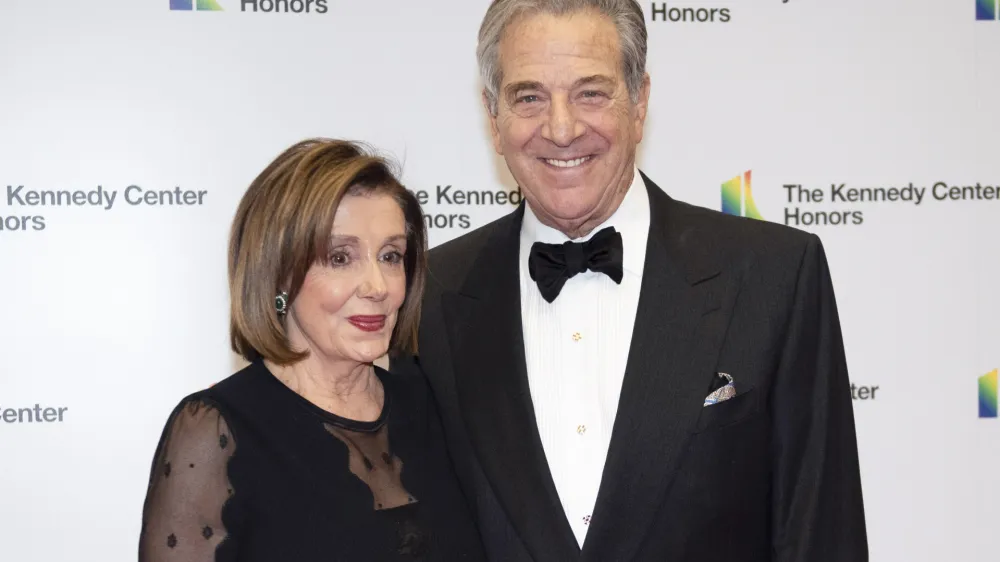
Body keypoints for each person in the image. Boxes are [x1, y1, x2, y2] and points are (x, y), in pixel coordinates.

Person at [394, 1, 869, 561]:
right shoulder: (427, 294)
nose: (562, 128)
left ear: (640, 101)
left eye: (591, 92)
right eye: (529, 97)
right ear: (492, 116)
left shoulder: (774, 275)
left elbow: (821, 534)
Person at [138, 139, 486, 562]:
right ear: (280, 271)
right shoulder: (218, 430)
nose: (378, 287)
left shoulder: (432, 406)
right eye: (340, 258)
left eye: (391, 256)